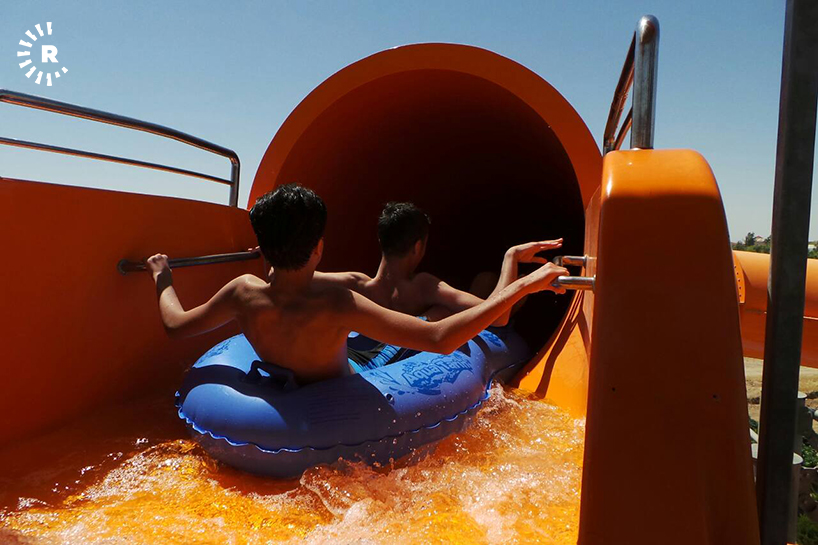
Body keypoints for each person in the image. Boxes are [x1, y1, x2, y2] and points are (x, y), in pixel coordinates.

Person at [146, 184, 567, 384]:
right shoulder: (338, 301)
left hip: (290, 365)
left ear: (265, 248)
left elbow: (175, 324)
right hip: (351, 374)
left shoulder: (241, 291)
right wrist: (523, 286)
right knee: (436, 315)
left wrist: (163, 276)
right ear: (318, 248)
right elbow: (439, 339)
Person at [313, 201, 563, 326]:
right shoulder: (424, 287)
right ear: (418, 247)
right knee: (482, 287)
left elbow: (299, 277)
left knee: (480, 284)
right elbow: (497, 317)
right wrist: (511, 257)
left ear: (381, 240)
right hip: (436, 328)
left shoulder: (356, 284)